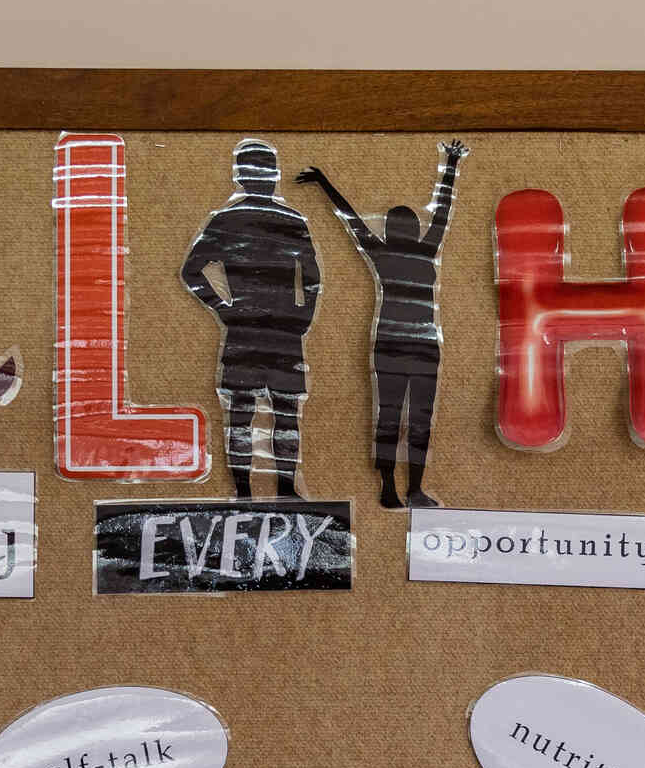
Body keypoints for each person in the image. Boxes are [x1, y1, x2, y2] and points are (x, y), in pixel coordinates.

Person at [299, 140, 464, 507]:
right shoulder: (425, 249)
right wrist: (451, 164)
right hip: (421, 345)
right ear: (412, 229)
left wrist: (324, 183)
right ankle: (411, 487)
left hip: (392, 344)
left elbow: (351, 219)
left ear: (390, 230)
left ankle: (394, 486)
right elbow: (442, 210)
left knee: (391, 415)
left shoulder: (383, 253)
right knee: (416, 416)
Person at [178, 141, 322, 499]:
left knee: (247, 414)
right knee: (278, 413)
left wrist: (225, 308)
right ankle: (276, 489)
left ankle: (249, 490)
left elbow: (192, 271)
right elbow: (313, 276)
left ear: (241, 176)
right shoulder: (288, 221)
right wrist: (301, 315)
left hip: (251, 327)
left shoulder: (230, 220)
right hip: (276, 329)